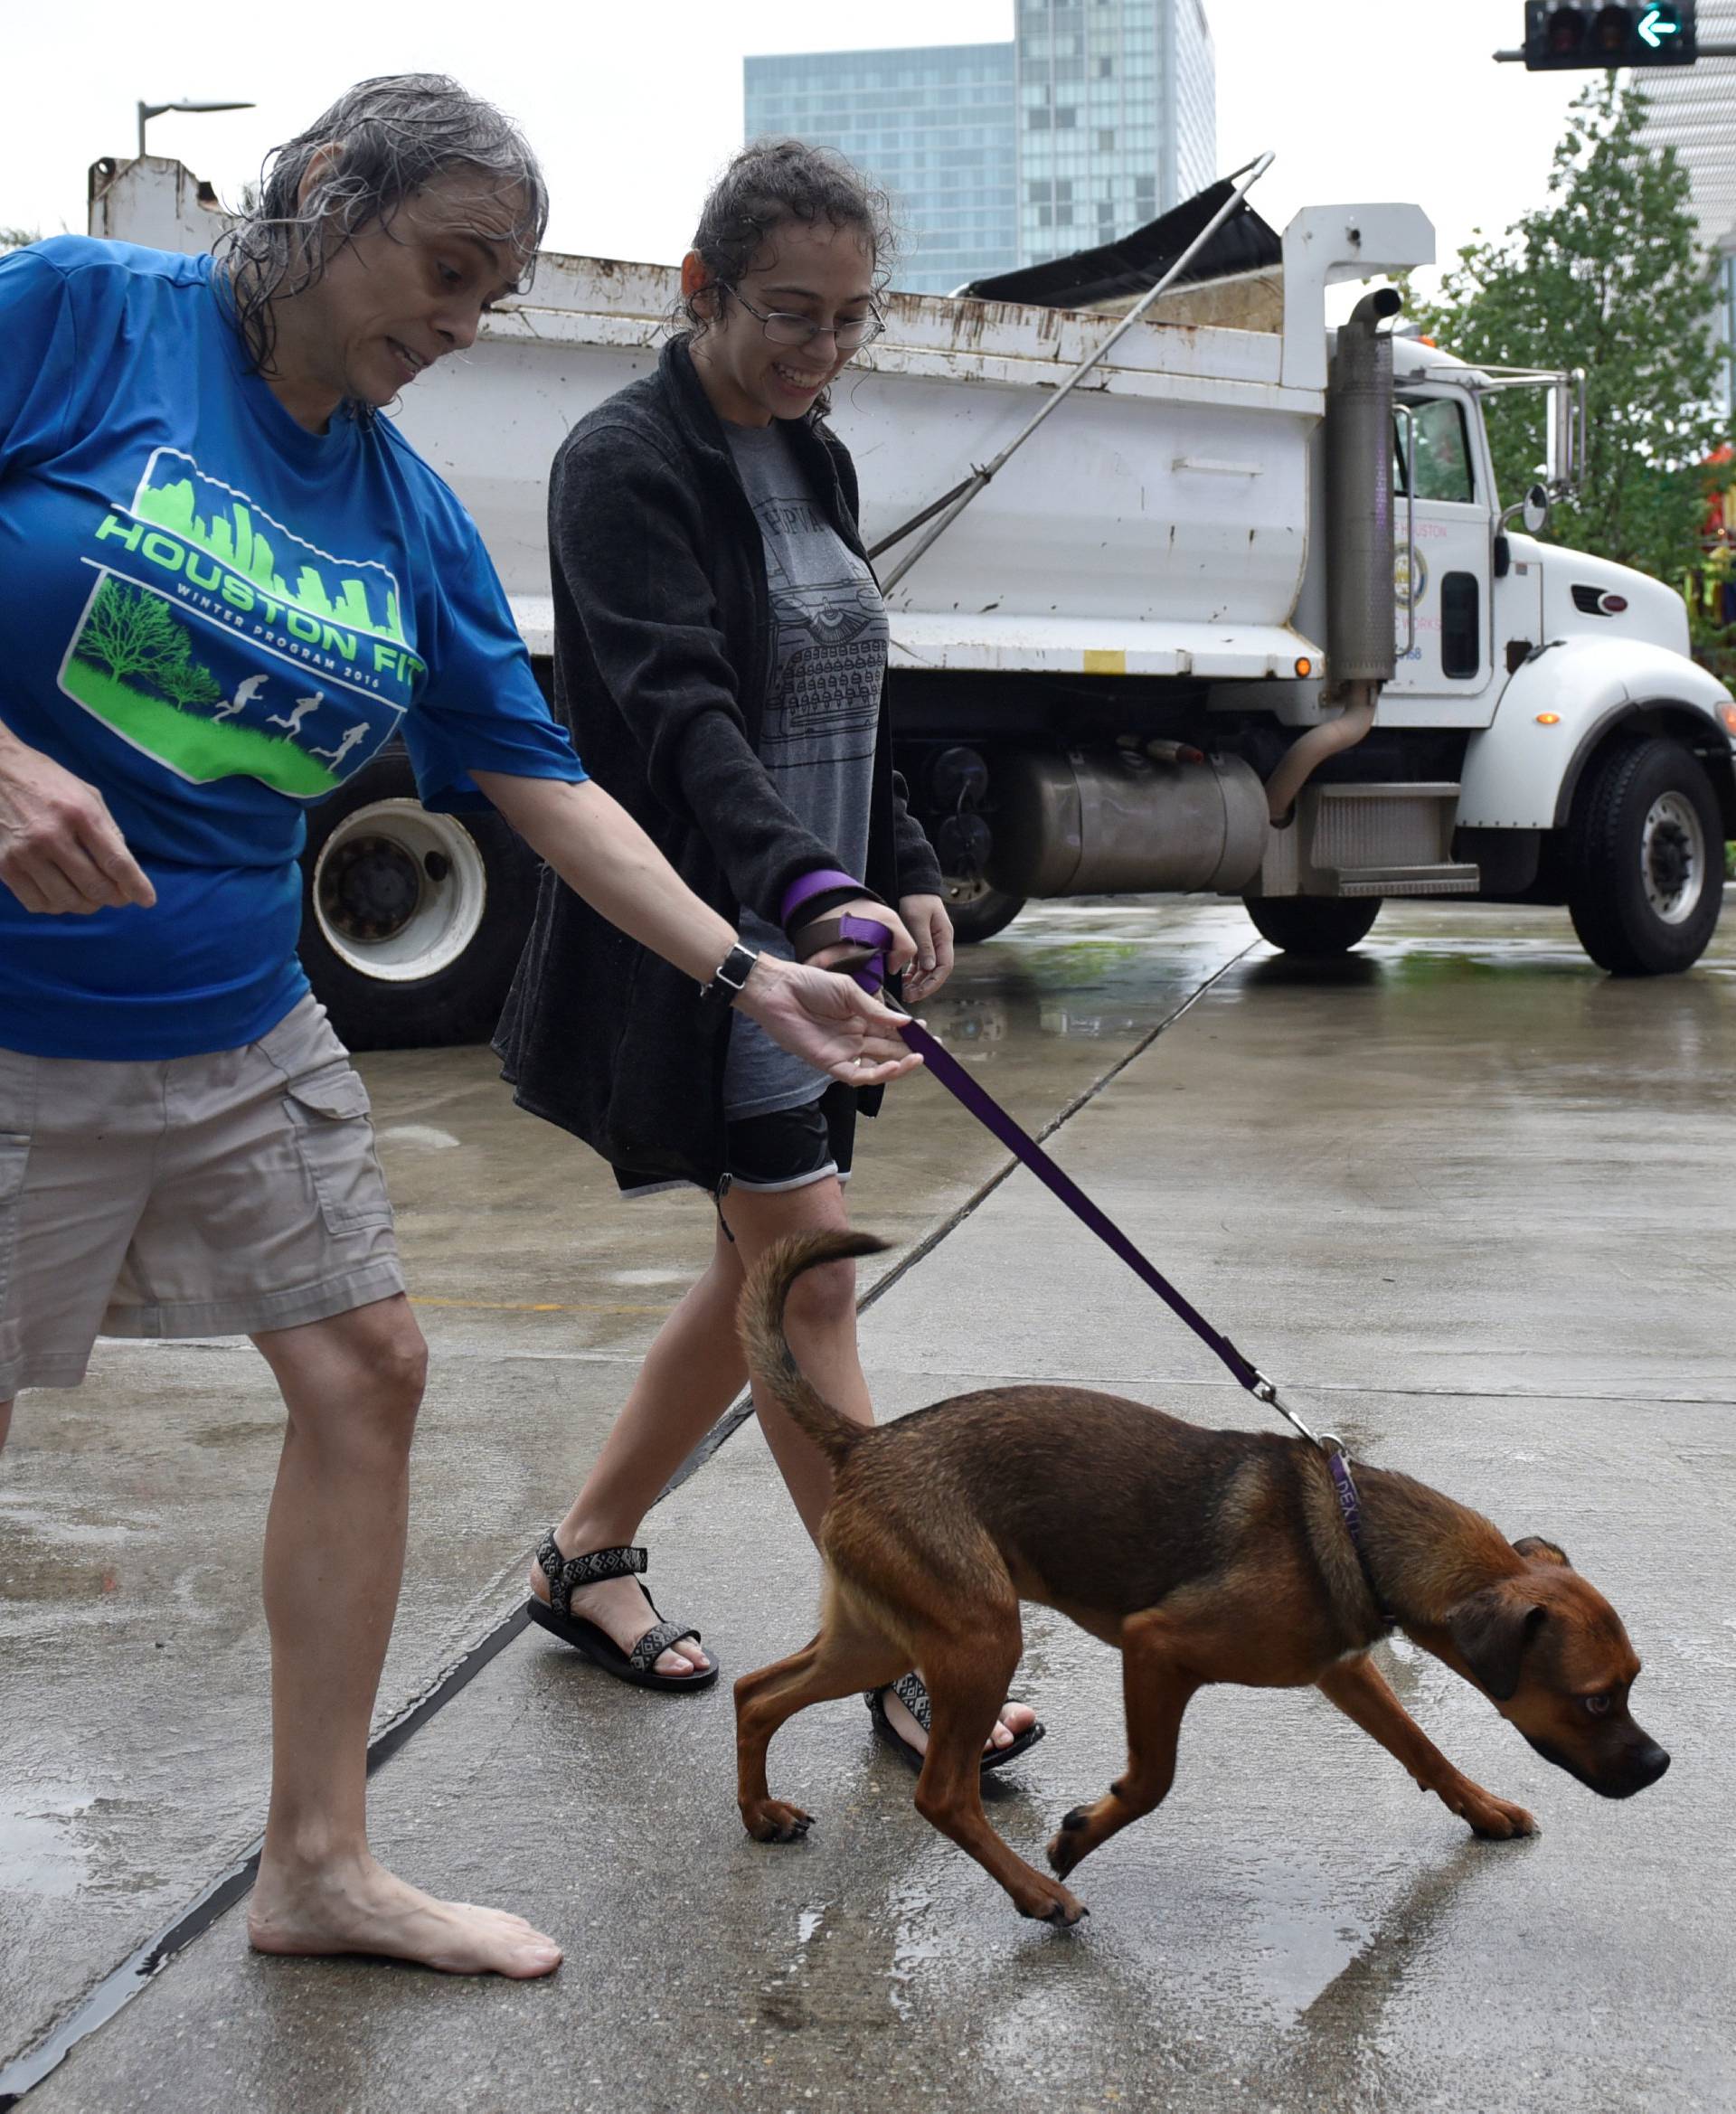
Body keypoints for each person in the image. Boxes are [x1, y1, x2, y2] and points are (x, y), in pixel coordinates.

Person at [0, 79, 919, 1981]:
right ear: (326, 191)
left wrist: (754, 970)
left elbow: (543, 777)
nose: (463, 320)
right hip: (18, 1021)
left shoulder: (398, 504)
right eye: (445, 267)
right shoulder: (80, 315)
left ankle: (318, 1864)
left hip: (234, 1014)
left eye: (494, 291)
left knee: (370, 1371)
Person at [495, 141, 1042, 1770]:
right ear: (700, 287)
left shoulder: (815, 453)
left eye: (853, 321)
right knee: (811, 1285)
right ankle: (900, 1647)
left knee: (758, 1272)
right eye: (790, 314)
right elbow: (681, 720)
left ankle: (586, 1551)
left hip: (822, 933)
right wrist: (803, 895)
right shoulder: (622, 465)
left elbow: (841, 688)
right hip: (714, 951)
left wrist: (907, 868)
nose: (820, 352)